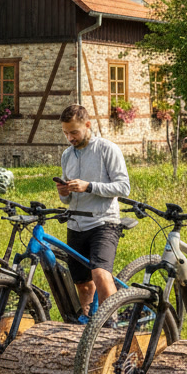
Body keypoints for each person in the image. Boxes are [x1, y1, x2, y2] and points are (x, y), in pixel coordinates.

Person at [56, 103, 130, 314]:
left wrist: (88, 186)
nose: (70, 138)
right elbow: (67, 201)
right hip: (76, 224)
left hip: (103, 222)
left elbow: (124, 187)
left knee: (100, 273)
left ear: (88, 125)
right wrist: (64, 193)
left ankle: (113, 325)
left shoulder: (107, 149)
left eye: (74, 132)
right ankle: (90, 328)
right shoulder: (67, 155)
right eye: (65, 133)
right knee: (83, 284)